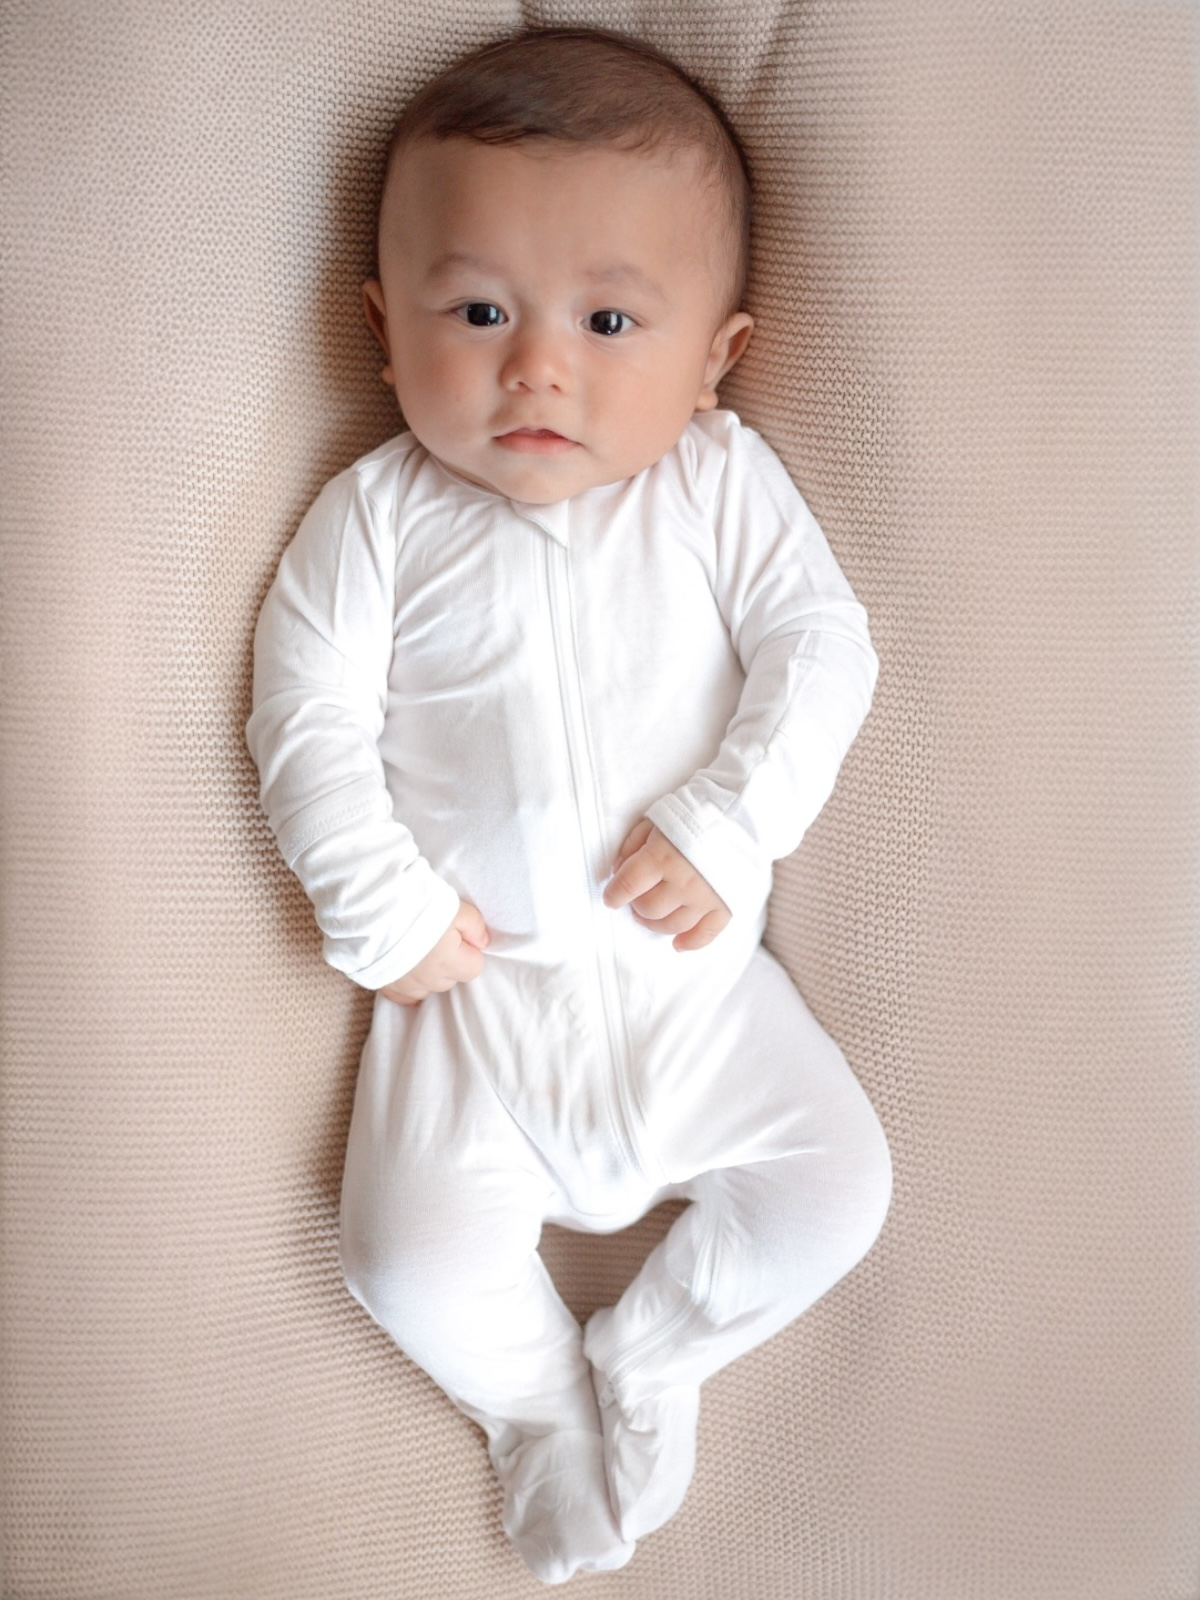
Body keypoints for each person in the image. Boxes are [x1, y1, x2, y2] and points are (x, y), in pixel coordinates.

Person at [247, 26, 892, 1585]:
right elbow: (303, 714)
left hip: (698, 995)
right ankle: (536, 1406)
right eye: (476, 312)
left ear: (716, 355)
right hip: (471, 1011)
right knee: (399, 1258)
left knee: (839, 1189)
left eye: (611, 319)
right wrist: (378, 901)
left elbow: (821, 653)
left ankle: (655, 1353)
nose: (538, 365)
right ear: (381, 330)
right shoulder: (376, 519)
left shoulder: (719, 487)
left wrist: (732, 824)